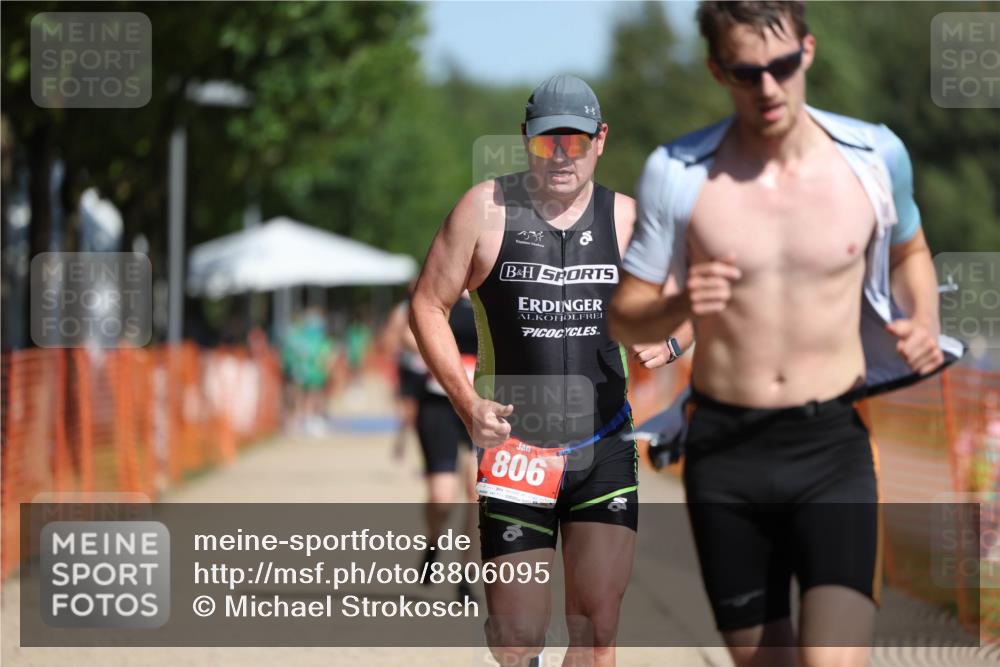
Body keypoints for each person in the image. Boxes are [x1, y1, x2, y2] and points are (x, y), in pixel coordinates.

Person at [610, 2, 962, 666]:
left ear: (808, 50)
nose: (768, 88)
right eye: (746, 73)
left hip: (831, 447)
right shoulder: (678, 173)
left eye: (781, 66)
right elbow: (624, 313)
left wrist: (926, 320)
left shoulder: (874, 156)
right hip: (725, 453)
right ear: (718, 71)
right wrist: (681, 301)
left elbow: (910, 252)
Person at [410, 74, 679, 667]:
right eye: (546, 141)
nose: (561, 155)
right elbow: (427, 304)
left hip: (604, 442)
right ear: (525, 139)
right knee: (515, 636)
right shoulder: (484, 209)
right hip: (516, 446)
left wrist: (674, 342)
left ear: (600, 140)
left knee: (598, 624)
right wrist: (465, 402)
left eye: (576, 141)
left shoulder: (630, 220)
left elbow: (694, 298)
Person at [414, 291, 481, 603]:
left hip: (484, 403)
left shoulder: (497, 285)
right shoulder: (440, 287)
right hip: (439, 402)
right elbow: (408, 330)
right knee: (442, 497)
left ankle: (466, 577)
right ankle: (433, 541)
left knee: (476, 493)